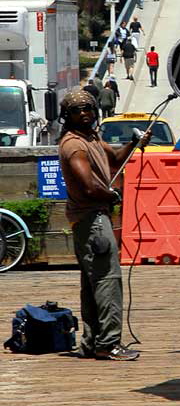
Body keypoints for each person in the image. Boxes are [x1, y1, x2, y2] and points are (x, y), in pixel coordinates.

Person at [58, 90, 151, 361]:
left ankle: (91, 342)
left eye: (88, 107)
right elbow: (88, 186)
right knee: (108, 280)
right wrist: (112, 195)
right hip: (92, 221)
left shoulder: (93, 138)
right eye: (77, 110)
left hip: (95, 218)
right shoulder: (74, 145)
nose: (84, 113)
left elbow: (115, 160)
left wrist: (134, 142)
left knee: (92, 284)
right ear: (68, 116)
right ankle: (108, 343)